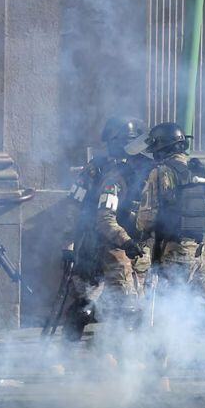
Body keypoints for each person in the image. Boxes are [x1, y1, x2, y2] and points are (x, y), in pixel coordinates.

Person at [135, 122, 205, 390]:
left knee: (165, 311)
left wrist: (135, 229)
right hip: (204, 251)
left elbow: (147, 218)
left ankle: (159, 380)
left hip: (176, 252)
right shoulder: (201, 169)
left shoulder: (161, 172)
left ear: (160, 147)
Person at [60, 117, 148, 345]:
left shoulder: (139, 168)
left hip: (125, 244)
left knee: (129, 304)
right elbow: (73, 204)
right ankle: (64, 355)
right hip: (94, 242)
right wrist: (69, 240)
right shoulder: (96, 168)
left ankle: (120, 355)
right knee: (86, 301)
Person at [92, 117, 154, 361]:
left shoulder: (150, 177)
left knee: (142, 307)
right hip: (118, 250)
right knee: (122, 306)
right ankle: (109, 357)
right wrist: (126, 241)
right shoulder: (115, 179)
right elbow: (104, 219)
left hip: (142, 249)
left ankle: (132, 358)